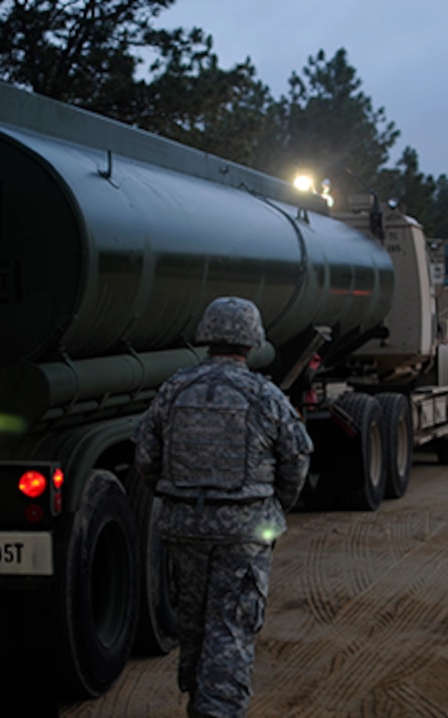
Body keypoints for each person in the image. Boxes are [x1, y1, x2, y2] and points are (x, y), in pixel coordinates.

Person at [134, 296, 313, 718]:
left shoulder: (174, 389)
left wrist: (176, 498)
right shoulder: (263, 395)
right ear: (251, 342)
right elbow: (297, 458)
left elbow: (145, 457)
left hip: (184, 527)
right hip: (245, 531)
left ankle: (199, 701)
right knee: (231, 626)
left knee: (193, 623)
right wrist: (274, 504)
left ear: (207, 335)